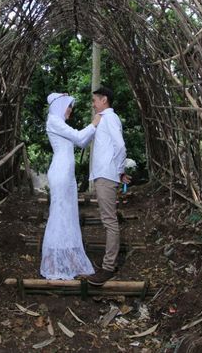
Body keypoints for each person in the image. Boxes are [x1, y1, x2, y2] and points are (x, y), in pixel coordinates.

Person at [40, 93, 101, 280]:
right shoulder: (54, 121)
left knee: (68, 215)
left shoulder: (60, 123)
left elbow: (81, 141)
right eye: (68, 106)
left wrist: (94, 127)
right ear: (60, 106)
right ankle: (53, 261)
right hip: (60, 173)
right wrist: (95, 122)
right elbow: (79, 136)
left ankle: (68, 259)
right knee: (59, 215)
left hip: (67, 174)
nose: (70, 111)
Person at [87, 87, 131, 286]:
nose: (93, 104)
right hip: (104, 174)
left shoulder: (109, 118)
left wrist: (118, 170)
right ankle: (108, 263)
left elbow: (120, 146)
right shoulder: (103, 118)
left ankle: (108, 267)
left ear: (104, 99)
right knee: (108, 219)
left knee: (109, 220)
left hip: (106, 174)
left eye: (95, 100)